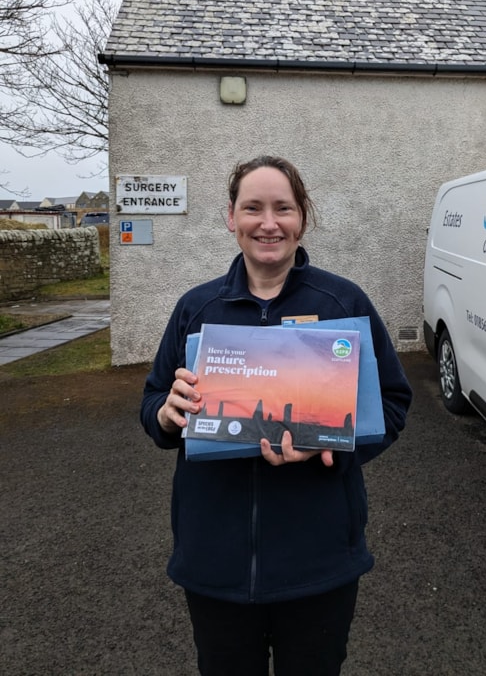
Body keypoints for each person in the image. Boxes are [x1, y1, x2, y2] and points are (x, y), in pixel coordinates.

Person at [141, 155, 413, 676]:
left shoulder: (342, 303)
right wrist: (167, 415)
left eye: (283, 208)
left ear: (302, 218)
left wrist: (334, 441)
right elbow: (153, 402)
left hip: (319, 562)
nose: (269, 223)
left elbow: (394, 403)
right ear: (230, 218)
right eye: (253, 208)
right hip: (214, 561)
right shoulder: (195, 309)